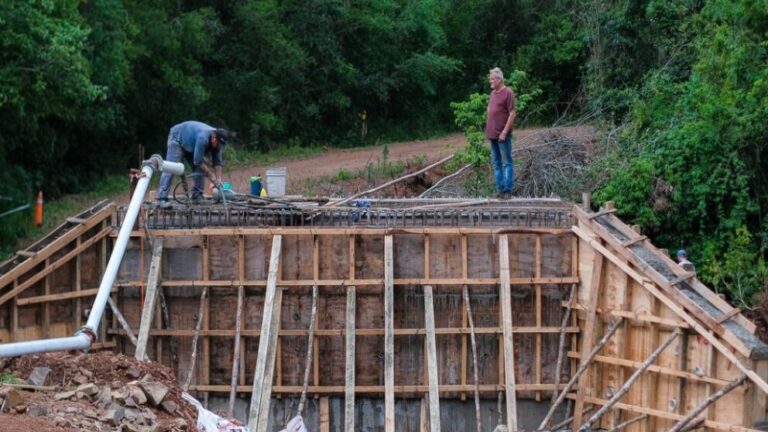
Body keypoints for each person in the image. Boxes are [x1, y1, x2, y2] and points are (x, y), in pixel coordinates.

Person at [156, 121, 228, 208]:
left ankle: (197, 196)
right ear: (213, 137)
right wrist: (212, 177)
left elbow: (217, 163)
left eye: (220, 145)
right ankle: (161, 199)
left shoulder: (218, 142)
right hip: (177, 138)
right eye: (218, 144)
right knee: (170, 167)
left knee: (200, 167)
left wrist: (218, 180)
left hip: (191, 143)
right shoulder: (203, 138)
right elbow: (198, 161)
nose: (218, 146)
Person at [485, 67, 516, 199]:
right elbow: (490, 111)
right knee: (496, 163)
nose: (490, 81)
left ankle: (508, 191)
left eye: (492, 79)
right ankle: (500, 190)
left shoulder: (508, 93)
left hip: (502, 135)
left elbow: (512, 113)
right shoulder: (493, 94)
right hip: (492, 134)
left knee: (507, 162)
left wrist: (504, 131)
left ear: (499, 79)